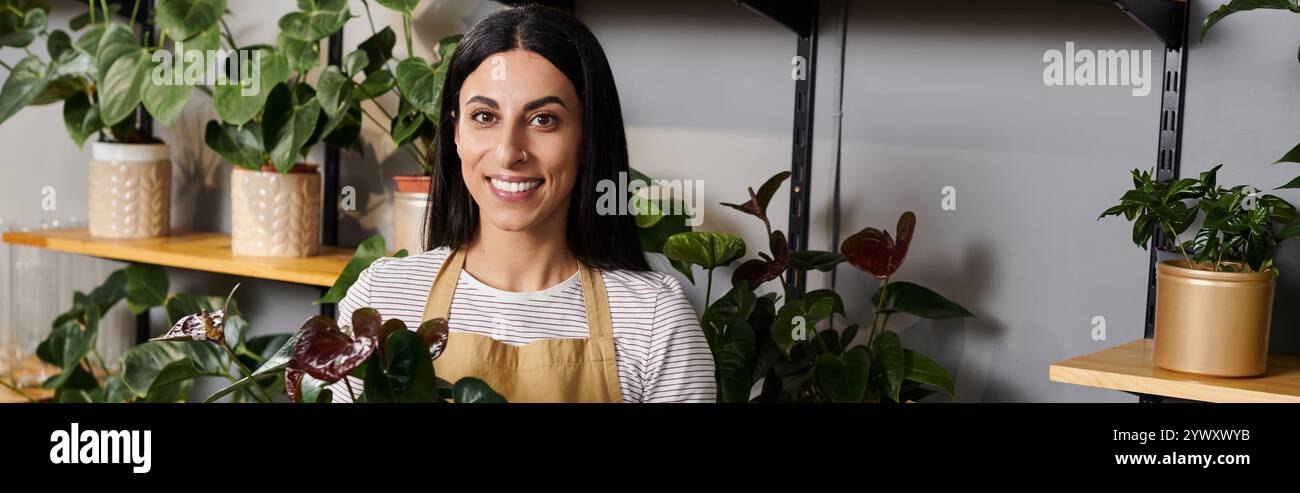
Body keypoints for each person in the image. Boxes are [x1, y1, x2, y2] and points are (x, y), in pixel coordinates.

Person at [329, 5, 716, 403]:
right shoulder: (383, 298)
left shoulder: (653, 319)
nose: (509, 152)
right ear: (456, 132)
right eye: (484, 115)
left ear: (587, 140)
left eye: (543, 119)